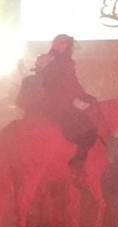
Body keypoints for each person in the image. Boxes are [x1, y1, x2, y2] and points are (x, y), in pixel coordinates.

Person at [35, 34, 99, 169]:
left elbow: (72, 83)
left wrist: (84, 96)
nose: (62, 46)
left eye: (64, 44)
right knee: (89, 132)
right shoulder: (57, 61)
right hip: (59, 105)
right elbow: (59, 85)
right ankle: (77, 164)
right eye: (60, 43)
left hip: (60, 102)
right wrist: (74, 99)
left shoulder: (62, 61)